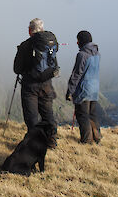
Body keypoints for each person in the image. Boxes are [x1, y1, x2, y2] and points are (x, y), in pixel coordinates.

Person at [13, 18, 59, 147]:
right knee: (48, 113)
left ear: (30, 30)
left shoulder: (25, 45)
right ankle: (52, 140)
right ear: (42, 29)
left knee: (31, 116)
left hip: (30, 86)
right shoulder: (49, 43)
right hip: (47, 84)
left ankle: (34, 143)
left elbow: (16, 68)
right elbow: (53, 63)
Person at [66, 30, 102, 144]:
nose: (77, 43)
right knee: (92, 114)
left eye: (78, 40)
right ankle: (97, 137)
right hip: (95, 89)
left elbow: (76, 75)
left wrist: (70, 91)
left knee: (82, 115)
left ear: (81, 41)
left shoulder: (82, 55)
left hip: (83, 89)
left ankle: (87, 141)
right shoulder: (97, 53)